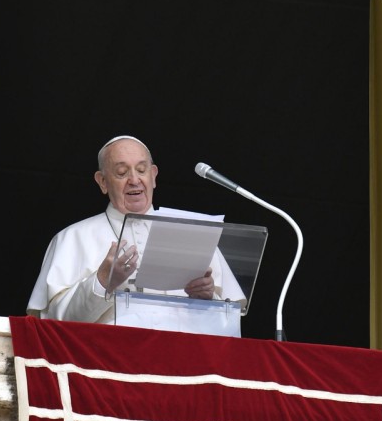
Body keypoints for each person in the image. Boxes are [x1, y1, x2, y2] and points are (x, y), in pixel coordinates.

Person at [27, 135, 241, 324]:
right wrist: (102, 282)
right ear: (103, 182)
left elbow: (230, 321)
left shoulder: (193, 232)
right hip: (108, 355)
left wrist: (208, 298)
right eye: (122, 172)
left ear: (153, 176)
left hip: (183, 353)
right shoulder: (73, 238)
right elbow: (52, 322)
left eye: (141, 170)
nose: (134, 180)